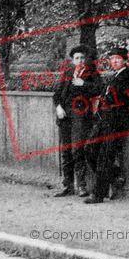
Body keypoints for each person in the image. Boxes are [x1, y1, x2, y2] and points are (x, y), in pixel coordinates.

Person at [85, 47, 129, 204]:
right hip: (104, 119)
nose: (114, 61)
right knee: (90, 149)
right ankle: (114, 175)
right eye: (112, 58)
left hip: (115, 122)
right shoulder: (113, 76)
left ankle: (98, 194)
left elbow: (126, 101)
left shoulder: (127, 77)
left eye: (118, 59)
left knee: (104, 156)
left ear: (125, 60)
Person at [52, 44, 101, 197]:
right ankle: (68, 186)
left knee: (77, 149)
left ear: (85, 60)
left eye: (82, 58)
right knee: (66, 150)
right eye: (76, 58)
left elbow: (100, 89)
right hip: (65, 115)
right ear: (72, 60)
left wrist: (84, 84)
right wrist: (58, 107)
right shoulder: (67, 72)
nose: (79, 60)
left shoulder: (92, 73)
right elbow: (57, 93)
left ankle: (82, 185)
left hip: (81, 116)